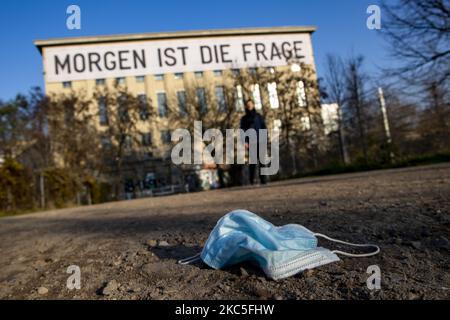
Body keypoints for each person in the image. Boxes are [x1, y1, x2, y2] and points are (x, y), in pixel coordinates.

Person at [240, 99, 267, 185]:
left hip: (260, 140)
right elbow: (242, 130)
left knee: (262, 161)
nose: (249, 106)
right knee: (253, 162)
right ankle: (252, 180)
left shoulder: (258, 117)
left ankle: (263, 180)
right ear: (246, 106)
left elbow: (263, 127)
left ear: (253, 105)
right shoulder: (244, 119)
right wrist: (245, 141)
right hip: (251, 142)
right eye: (247, 104)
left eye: (250, 104)